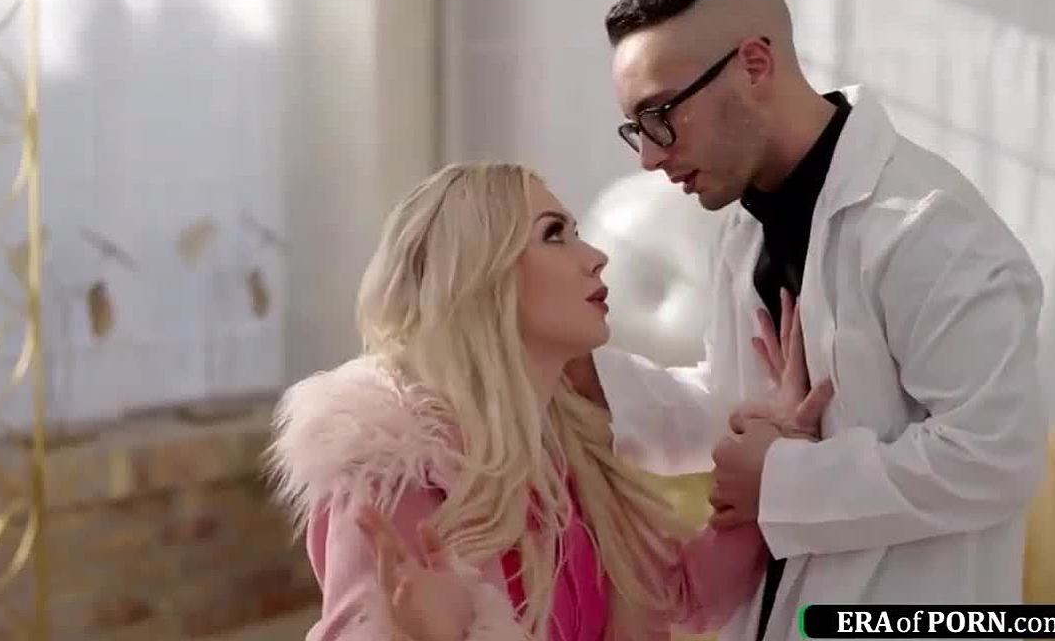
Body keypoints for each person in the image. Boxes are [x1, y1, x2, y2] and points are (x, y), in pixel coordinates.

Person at [571, 0, 1048, 641]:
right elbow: (735, 405)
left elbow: (993, 457)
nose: (649, 155)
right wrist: (589, 383)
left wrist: (781, 481)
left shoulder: (928, 226)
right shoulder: (744, 227)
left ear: (755, 64)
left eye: (661, 115)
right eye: (635, 127)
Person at [266, 162, 830, 641]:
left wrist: (770, 465)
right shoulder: (391, 473)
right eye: (555, 234)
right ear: (479, 273)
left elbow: (674, 594)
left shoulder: (572, 452)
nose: (596, 257)